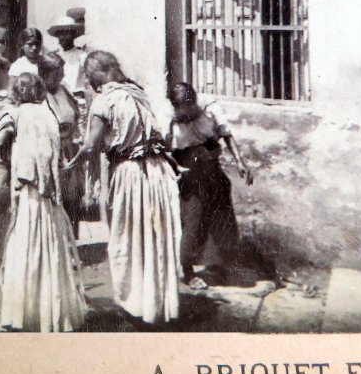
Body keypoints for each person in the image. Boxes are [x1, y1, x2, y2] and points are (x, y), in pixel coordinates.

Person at [0, 73, 88, 332]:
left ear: (16, 93)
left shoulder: (13, 115)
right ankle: (48, 315)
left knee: (20, 250)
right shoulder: (48, 116)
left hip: (24, 196)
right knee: (47, 252)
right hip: (48, 198)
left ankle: (19, 315)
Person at [65, 51, 181, 327]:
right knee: (153, 239)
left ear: (99, 74)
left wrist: (70, 165)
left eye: (91, 77)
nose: (92, 83)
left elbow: (91, 145)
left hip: (131, 174)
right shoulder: (137, 92)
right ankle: (156, 305)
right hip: (157, 171)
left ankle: (134, 306)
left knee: (128, 237)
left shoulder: (106, 101)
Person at [167, 82, 253, 288]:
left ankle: (220, 265)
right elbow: (162, 148)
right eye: (183, 114)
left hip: (211, 167)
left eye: (190, 111)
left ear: (195, 102)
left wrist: (240, 163)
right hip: (187, 171)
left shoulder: (210, 109)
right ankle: (187, 271)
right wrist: (175, 167)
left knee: (221, 216)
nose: (187, 117)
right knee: (193, 218)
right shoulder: (168, 117)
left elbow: (226, 135)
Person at [38, 52, 83, 237]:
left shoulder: (63, 90)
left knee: (73, 198)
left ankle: (72, 243)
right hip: (50, 151)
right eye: (57, 73)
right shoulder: (38, 94)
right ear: (44, 74)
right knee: (54, 198)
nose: (62, 76)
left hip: (69, 149)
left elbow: (76, 113)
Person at [48, 16, 87, 96]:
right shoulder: (54, 56)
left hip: (77, 96)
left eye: (68, 33)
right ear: (57, 36)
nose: (64, 37)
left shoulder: (82, 55)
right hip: (59, 96)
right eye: (61, 33)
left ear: (73, 35)